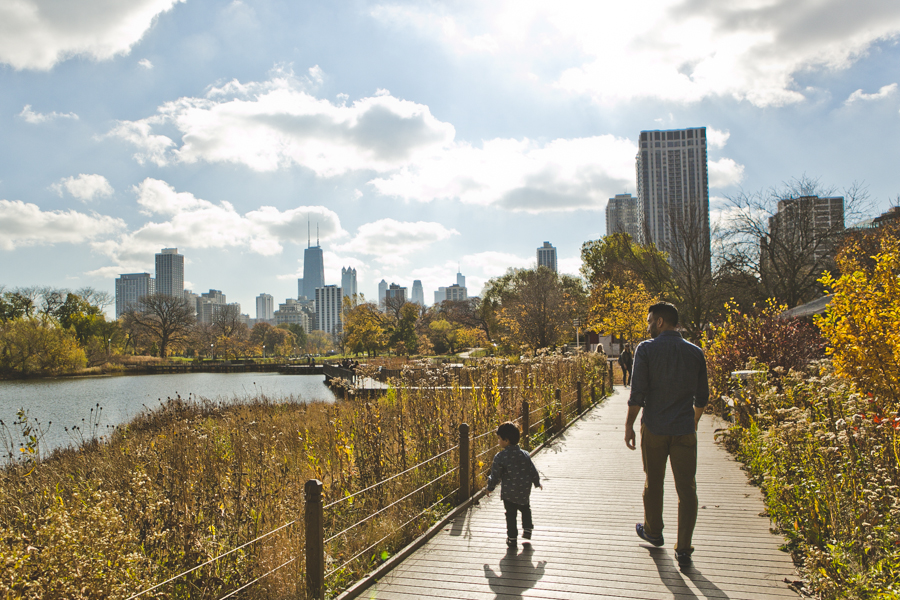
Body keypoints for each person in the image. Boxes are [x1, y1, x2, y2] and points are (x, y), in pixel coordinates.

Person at [624, 302, 708, 569]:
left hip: (655, 427)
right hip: (684, 430)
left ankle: (653, 531)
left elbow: (638, 393)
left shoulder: (646, 349)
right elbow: (702, 396)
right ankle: (684, 549)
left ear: (660, 322)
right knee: (687, 489)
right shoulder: (695, 352)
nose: (648, 326)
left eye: (650, 321)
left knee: (654, 481)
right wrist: (693, 421)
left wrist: (629, 425)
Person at [486, 422, 543, 548]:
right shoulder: (525, 454)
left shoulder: (500, 457)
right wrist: (536, 482)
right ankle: (527, 529)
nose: (498, 441)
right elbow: (532, 470)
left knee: (511, 515)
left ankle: (512, 538)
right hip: (524, 490)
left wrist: (490, 487)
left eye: (499, 439)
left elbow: (495, 475)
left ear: (506, 440)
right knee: (525, 508)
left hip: (509, 493)